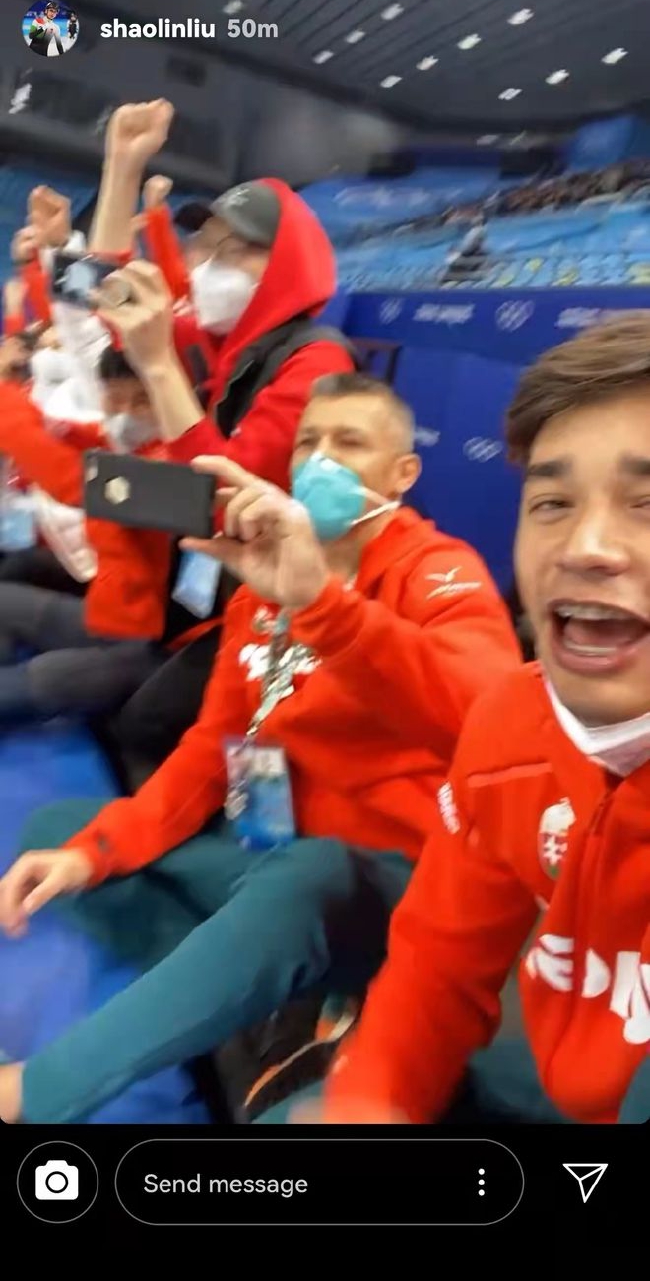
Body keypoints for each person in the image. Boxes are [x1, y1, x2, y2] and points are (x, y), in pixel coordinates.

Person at [0, 372, 521, 1124]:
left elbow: (489, 716)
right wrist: (94, 852)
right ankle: (256, 990)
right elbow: (213, 747)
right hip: (269, 853)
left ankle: (37, 1091)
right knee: (63, 839)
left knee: (308, 876)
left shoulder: (437, 570)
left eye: (350, 443)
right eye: (309, 442)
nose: (321, 460)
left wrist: (326, 608)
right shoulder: (263, 581)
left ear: (402, 473)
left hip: (386, 884)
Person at [301, 313, 650, 1127]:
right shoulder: (514, 723)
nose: (586, 545)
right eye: (552, 502)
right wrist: (371, 1102)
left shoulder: (434, 571)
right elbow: (436, 963)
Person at [90, 101, 356, 490]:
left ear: (287, 263)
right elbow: (115, 304)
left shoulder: (318, 363)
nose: (210, 267)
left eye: (234, 250)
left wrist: (160, 367)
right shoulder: (216, 342)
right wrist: (122, 168)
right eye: (208, 247)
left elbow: (229, 492)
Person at [0, 343, 196, 725]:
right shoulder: (138, 444)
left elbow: (72, 481)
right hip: (113, 618)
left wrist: (8, 407)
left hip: (151, 650)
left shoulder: (181, 472)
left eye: (142, 401)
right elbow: (79, 436)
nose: (125, 413)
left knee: (35, 683)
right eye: (114, 398)